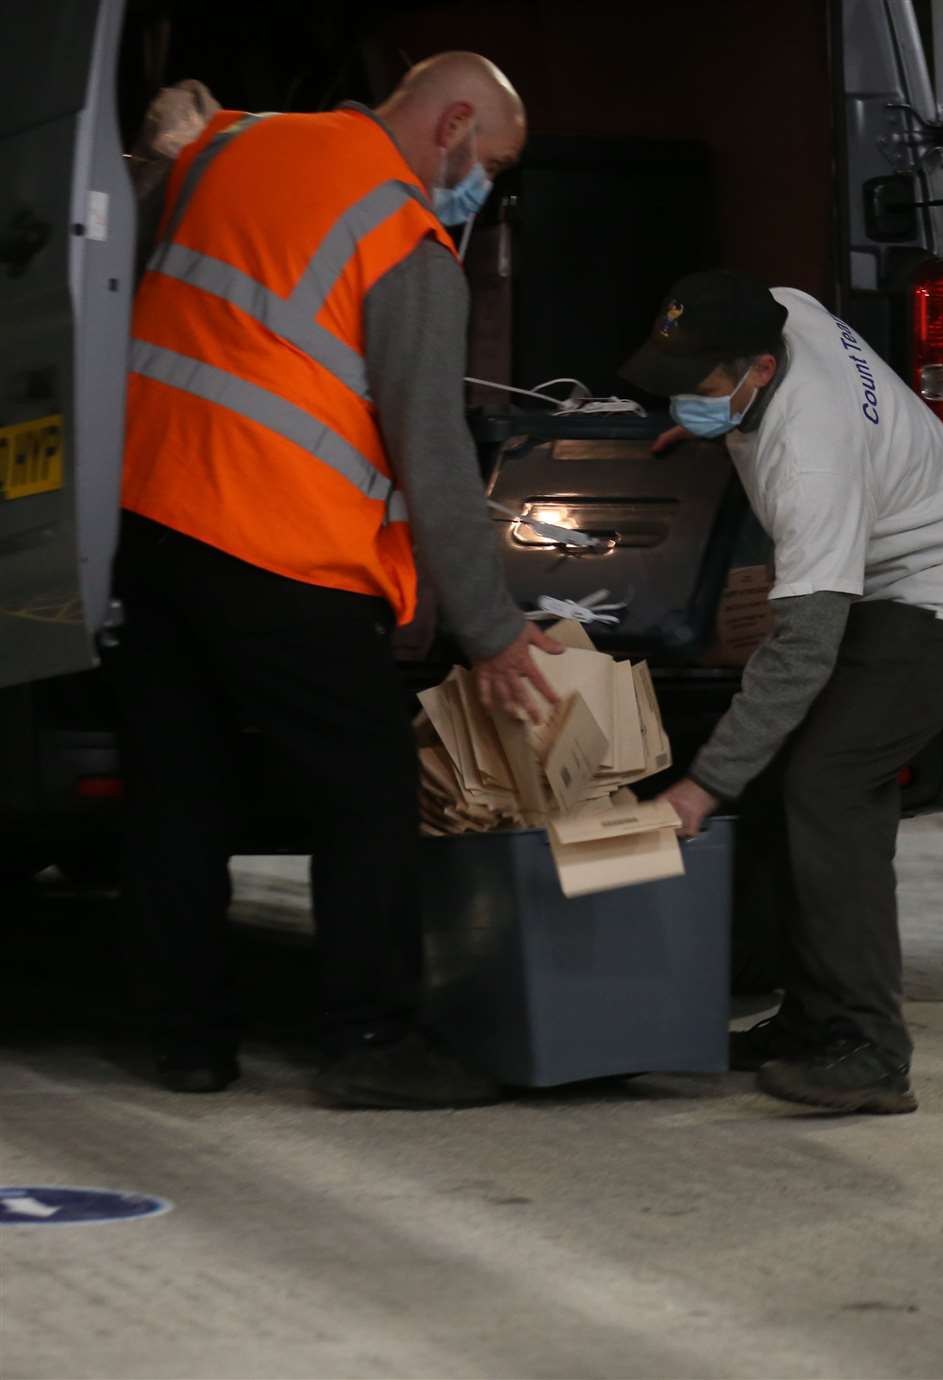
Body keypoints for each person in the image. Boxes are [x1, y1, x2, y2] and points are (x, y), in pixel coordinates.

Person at [114, 52, 562, 1107]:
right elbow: (431, 450)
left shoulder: (228, 144)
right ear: (452, 121)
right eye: (488, 163)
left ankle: (187, 1042)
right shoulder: (402, 238)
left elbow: (126, 245)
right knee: (365, 794)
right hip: (283, 551)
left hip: (150, 520)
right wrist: (490, 630)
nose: (479, 190)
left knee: (180, 793)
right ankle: (368, 1040)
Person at [621, 270, 943, 1115]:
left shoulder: (811, 453)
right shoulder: (782, 308)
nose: (684, 403)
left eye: (698, 391)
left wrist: (703, 786)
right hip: (889, 585)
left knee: (832, 785)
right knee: (788, 780)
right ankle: (810, 1020)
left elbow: (801, 650)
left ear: (759, 372)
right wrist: (700, 429)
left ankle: (871, 1051)